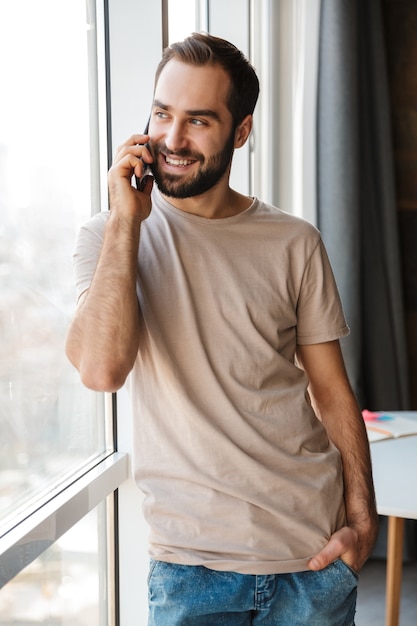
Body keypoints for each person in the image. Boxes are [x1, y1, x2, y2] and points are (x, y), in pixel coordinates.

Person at [66, 32, 378, 625]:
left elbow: (332, 391)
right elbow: (102, 371)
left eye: (199, 121)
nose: (173, 140)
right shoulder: (107, 238)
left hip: (310, 560)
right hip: (190, 572)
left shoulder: (294, 241)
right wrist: (128, 223)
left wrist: (363, 521)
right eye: (162, 114)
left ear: (241, 131)